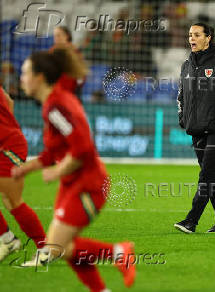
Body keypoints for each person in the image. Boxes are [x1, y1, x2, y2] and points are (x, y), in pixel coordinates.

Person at [12, 48, 136, 291]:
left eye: (25, 73)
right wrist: (25, 169)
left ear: (39, 77)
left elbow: (83, 147)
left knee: (58, 248)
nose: (21, 78)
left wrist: (58, 172)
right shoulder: (55, 101)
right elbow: (52, 153)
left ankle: (119, 252)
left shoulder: (55, 107)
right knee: (61, 248)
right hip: (73, 184)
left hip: (87, 185)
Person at [174, 23, 215, 233]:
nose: (191, 38)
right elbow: (181, 95)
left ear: (208, 37)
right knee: (211, 175)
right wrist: (183, 117)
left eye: (196, 35)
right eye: (190, 34)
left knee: (206, 174)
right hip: (197, 128)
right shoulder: (187, 65)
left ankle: (191, 220)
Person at [0, 87, 46, 261]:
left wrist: (7, 130)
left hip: (9, 147)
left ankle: (44, 248)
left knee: (12, 199)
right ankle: (8, 240)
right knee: (9, 198)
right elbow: (9, 100)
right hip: (7, 142)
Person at [51, 26, 85, 96]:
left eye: (59, 35)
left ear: (67, 36)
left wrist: (79, 84)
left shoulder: (74, 51)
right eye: (55, 36)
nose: (56, 38)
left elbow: (81, 72)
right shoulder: (52, 51)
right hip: (56, 89)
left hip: (71, 90)